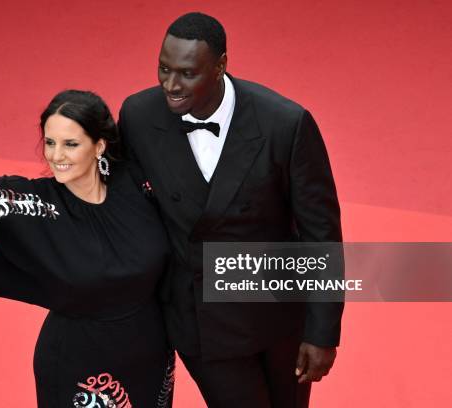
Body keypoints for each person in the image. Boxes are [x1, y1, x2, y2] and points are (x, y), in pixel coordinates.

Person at [0, 91, 175, 407]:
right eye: (50, 142)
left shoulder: (135, 185)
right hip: (82, 367)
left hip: (151, 356)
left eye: (70, 144)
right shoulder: (35, 205)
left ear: (99, 146)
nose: (56, 155)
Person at [119, 12, 343, 407]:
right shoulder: (138, 116)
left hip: (278, 316)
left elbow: (320, 234)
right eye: (163, 68)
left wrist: (321, 332)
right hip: (199, 320)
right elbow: (132, 210)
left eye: (187, 73)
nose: (171, 85)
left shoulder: (285, 124)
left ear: (221, 65)